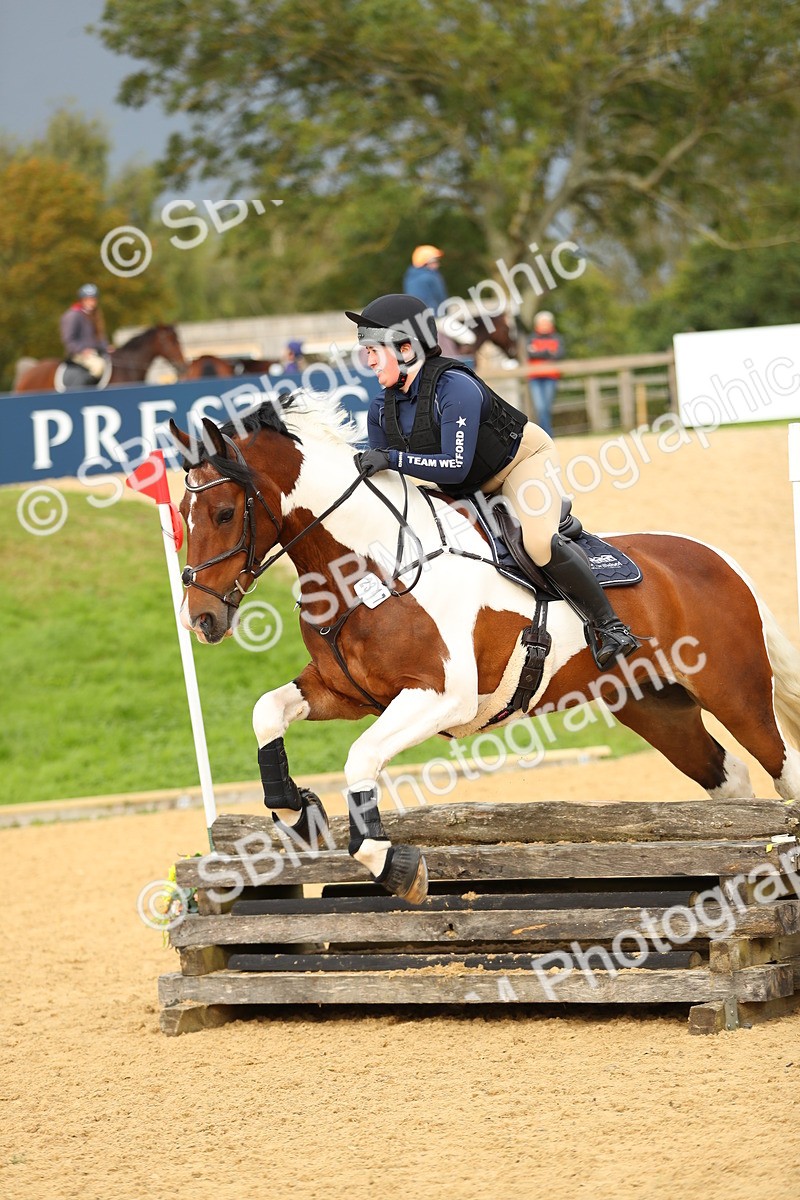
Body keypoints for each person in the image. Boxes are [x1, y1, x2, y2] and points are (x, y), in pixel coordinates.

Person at [345, 294, 639, 667]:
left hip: (518, 464)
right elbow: (388, 485)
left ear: (406, 349)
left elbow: (454, 466)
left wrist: (392, 458)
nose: (369, 361)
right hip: (462, 486)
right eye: (366, 352)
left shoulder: (455, 388)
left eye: (374, 351)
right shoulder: (380, 409)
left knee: (537, 543)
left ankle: (611, 627)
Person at [59, 284, 110, 381]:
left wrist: (106, 347)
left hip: (95, 352)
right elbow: (68, 339)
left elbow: (100, 336)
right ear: (82, 300)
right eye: (88, 300)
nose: (91, 303)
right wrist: (82, 350)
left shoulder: (95, 315)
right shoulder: (73, 315)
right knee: (98, 366)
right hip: (78, 354)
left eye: (93, 300)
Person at [526, 311, 564, 437]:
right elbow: (530, 353)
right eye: (542, 323)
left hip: (551, 377)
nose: (544, 325)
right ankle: (547, 435)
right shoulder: (531, 338)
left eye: (546, 323)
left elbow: (559, 354)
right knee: (540, 407)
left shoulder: (557, 338)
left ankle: (545, 435)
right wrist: (548, 352)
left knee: (547, 407)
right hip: (534, 377)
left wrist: (539, 352)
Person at [402, 245, 448, 312]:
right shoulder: (431, 276)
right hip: (434, 315)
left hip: (417, 316)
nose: (438, 264)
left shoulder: (409, 277)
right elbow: (441, 298)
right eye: (435, 261)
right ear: (426, 263)